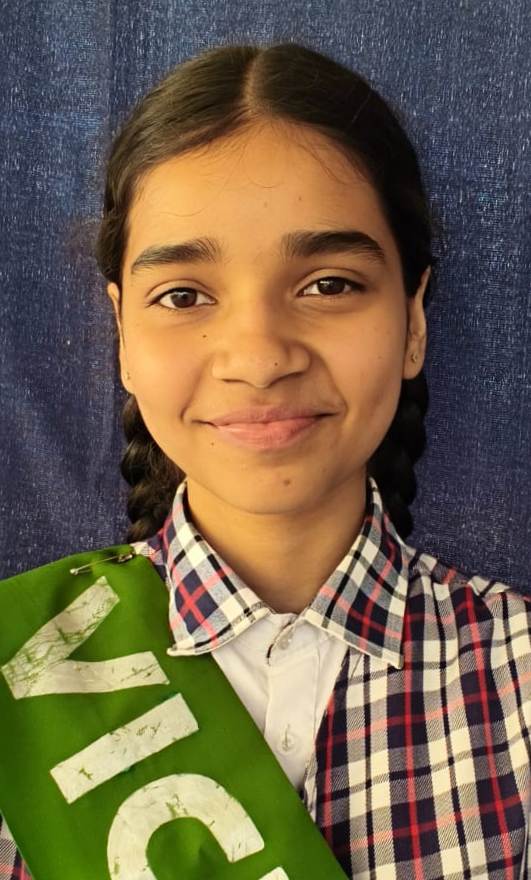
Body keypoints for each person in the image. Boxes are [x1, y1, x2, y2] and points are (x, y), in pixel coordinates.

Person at [0, 40, 529, 880]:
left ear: (412, 320)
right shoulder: (18, 675)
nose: (258, 357)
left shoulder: (518, 676)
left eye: (328, 284)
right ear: (123, 334)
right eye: (183, 296)